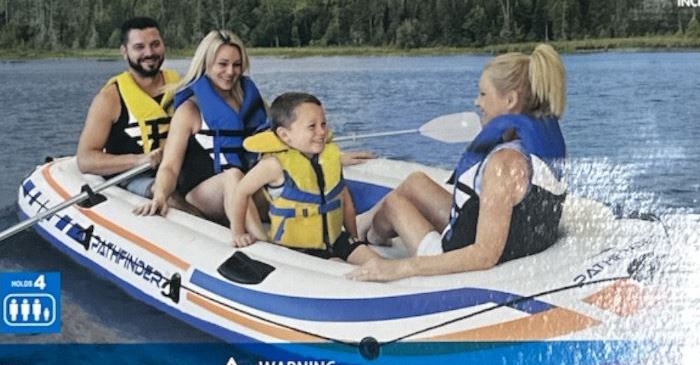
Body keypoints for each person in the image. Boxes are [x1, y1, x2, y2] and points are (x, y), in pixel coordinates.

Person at [348, 44, 568, 282]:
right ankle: (361, 226)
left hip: (450, 254)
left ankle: (370, 240)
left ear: (510, 100)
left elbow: (484, 255)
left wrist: (399, 268)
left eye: (483, 94)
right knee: (415, 182)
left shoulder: (505, 164)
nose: (477, 102)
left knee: (394, 204)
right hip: (476, 229)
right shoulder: (531, 144)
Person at [134, 29, 269, 228]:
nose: (230, 72)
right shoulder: (190, 110)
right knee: (233, 176)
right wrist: (160, 195)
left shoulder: (253, 103)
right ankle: (261, 243)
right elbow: (170, 166)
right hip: (204, 194)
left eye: (237, 65)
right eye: (222, 64)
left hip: (244, 187)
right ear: (206, 64)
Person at [226, 92, 361, 260]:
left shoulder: (328, 159)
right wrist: (238, 232)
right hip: (299, 248)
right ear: (284, 135)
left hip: (336, 240)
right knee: (338, 264)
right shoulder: (273, 165)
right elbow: (241, 191)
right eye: (312, 126)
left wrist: (354, 238)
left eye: (323, 124)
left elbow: (345, 201)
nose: (322, 132)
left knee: (371, 259)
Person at [75, 17, 180, 175]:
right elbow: (85, 160)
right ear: (124, 52)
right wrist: (138, 160)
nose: (149, 53)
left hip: (177, 170)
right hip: (134, 177)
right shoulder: (109, 98)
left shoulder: (180, 86)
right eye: (139, 47)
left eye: (155, 44)